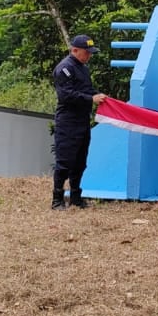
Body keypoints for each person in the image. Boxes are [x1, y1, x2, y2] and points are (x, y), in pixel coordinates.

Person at [51, 34, 108, 209]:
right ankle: (57, 199)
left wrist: (99, 96)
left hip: (82, 121)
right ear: (75, 50)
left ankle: (76, 196)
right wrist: (91, 99)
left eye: (90, 52)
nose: (89, 56)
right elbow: (66, 95)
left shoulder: (83, 68)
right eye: (86, 52)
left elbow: (87, 90)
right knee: (64, 162)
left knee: (80, 162)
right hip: (68, 122)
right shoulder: (64, 68)